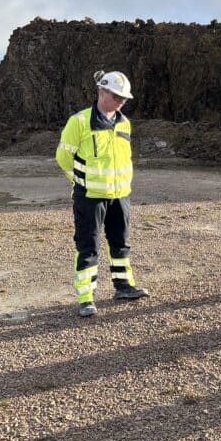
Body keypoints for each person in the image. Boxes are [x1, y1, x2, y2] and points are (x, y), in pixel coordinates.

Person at [55, 70, 149, 318]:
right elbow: (63, 157)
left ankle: (123, 286)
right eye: (117, 96)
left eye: (124, 98)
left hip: (120, 195)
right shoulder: (79, 122)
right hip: (90, 196)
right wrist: (79, 182)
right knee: (89, 245)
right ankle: (86, 297)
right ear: (101, 91)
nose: (121, 101)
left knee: (120, 241)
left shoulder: (124, 123)